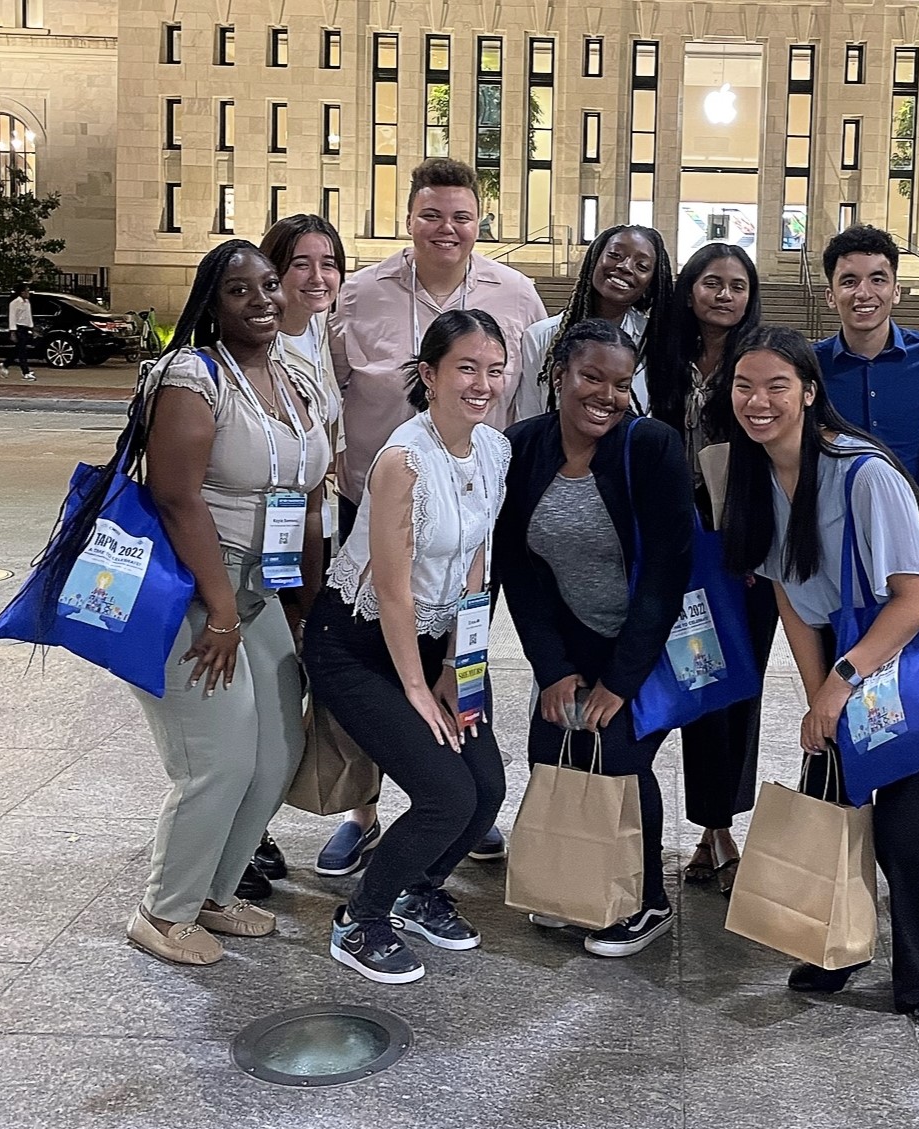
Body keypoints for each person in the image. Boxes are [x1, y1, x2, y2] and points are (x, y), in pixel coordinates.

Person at [720, 325, 919, 1024]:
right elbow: (787, 595)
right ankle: (833, 944)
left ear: (810, 392)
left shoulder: (862, 472)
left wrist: (840, 681)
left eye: (777, 385)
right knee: (833, 799)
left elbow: (917, 595)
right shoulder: (749, 474)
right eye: (744, 385)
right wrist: (819, 697)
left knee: (907, 821)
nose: (758, 400)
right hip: (851, 645)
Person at [324, 158, 545, 872]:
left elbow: (529, 398)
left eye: (461, 216)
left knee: (455, 650)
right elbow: (328, 395)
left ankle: (452, 799)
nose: (446, 228)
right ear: (409, 218)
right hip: (376, 506)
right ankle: (362, 812)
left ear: (479, 223)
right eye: (431, 214)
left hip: (470, 514)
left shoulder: (515, 295)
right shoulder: (359, 296)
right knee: (375, 671)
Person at [120, 239, 331, 965]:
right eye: (240, 290)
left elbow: (307, 501)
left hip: (262, 587)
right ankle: (162, 909)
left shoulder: (297, 377)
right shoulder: (191, 375)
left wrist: (301, 606)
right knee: (217, 756)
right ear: (212, 303)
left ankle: (213, 889)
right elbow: (178, 500)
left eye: (270, 284)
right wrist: (219, 610)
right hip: (194, 587)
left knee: (277, 748)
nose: (264, 299)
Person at [306, 308, 512, 985]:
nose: (481, 383)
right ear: (428, 374)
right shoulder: (403, 460)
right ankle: (359, 919)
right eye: (465, 368)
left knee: (485, 787)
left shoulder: (493, 449)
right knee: (444, 793)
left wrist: (459, 665)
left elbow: (476, 560)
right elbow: (392, 591)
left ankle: (418, 889)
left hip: (432, 643)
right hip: (355, 644)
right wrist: (419, 691)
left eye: (492, 368)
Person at [497, 319, 694, 956]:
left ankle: (646, 899)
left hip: (647, 642)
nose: (606, 395)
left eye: (620, 382)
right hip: (572, 632)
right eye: (591, 377)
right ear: (558, 376)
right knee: (550, 751)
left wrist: (619, 682)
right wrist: (552, 668)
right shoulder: (522, 448)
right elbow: (519, 572)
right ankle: (574, 885)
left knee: (619, 762)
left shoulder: (651, 446)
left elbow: (666, 575)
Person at [233, 214, 350, 902]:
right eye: (298, 265)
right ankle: (236, 835)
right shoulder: (262, 343)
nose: (316, 277)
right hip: (258, 544)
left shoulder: (322, 337)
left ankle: (254, 826)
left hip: (313, 536)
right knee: (257, 694)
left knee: (286, 683)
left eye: (327, 262)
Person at [653, 243, 776, 893]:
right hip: (673, 545)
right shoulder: (660, 356)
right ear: (690, 289)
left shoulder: (762, 360)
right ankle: (691, 819)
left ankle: (718, 829)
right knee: (691, 681)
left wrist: (761, 544)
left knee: (734, 689)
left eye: (736, 285)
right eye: (711, 282)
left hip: (741, 552)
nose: (723, 294)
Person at [814, 226, 919, 509]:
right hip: (837, 520)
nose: (864, 293)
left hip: (918, 518)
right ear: (831, 296)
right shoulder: (810, 366)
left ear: (896, 291)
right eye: (849, 281)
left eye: (878, 279)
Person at [511, 224, 674, 422]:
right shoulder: (541, 336)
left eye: (642, 266)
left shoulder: (654, 341)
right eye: (615, 255)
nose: (625, 267)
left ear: (651, 282)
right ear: (595, 259)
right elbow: (529, 417)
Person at [0, 283, 36, 381]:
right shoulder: (15, 303)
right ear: (22, 292)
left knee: (18, 350)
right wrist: (13, 332)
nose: (29, 293)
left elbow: (28, 316)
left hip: (25, 328)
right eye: (27, 291)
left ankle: (5, 364)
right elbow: (12, 318)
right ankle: (25, 372)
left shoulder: (27, 302)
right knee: (22, 351)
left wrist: (31, 328)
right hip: (18, 328)